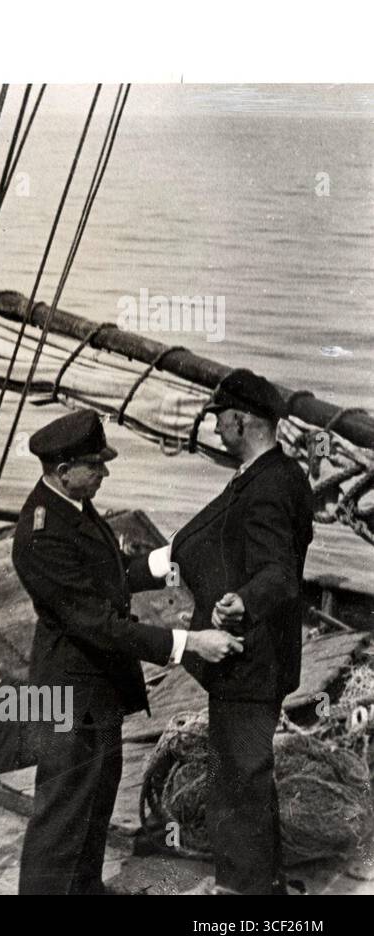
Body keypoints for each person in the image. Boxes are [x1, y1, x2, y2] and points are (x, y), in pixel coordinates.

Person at [11, 409, 241, 894]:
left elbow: (114, 570)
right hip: (66, 694)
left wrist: (172, 555)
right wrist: (186, 643)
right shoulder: (40, 534)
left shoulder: (73, 507)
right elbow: (96, 622)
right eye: (95, 465)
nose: (105, 473)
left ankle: (86, 889)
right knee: (61, 811)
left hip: (98, 690)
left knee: (96, 798)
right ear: (63, 470)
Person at [167, 369, 313, 894]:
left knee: (238, 780)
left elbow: (278, 571)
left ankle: (240, 896)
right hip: (262, 660)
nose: (216, 429)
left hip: (249, 661)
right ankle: (263, 884)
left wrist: (240, 602)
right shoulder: (281, 473)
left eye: (219, 419)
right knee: (249, 773)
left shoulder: (268, 486)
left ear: (240, 419)